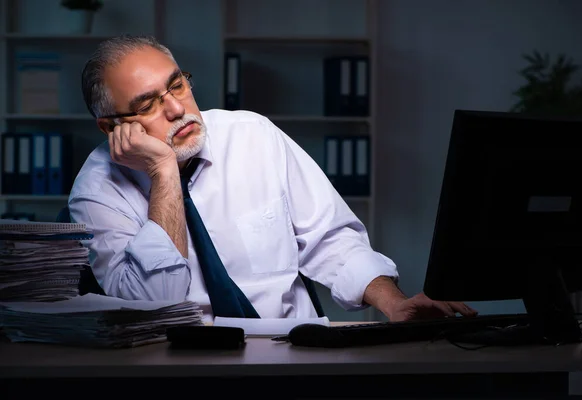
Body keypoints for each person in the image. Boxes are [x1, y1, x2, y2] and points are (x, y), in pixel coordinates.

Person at [69, 34, 477, 322]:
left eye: (177, 85)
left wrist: (393, 303)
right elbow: (154, 302)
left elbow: (331, 239)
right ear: (111, 128)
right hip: (181, 365)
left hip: (290, 349)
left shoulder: (252, 135)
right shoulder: (96, 191)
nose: (177, 109)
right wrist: (163, 174)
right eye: (148, 105)